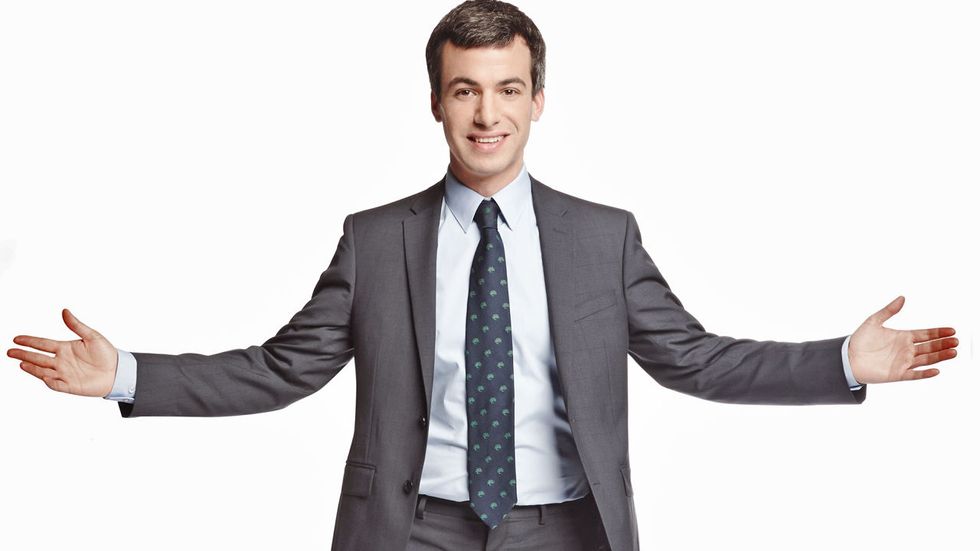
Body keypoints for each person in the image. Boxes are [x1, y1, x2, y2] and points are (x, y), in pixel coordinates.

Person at [6, 1, 959, 550]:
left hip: (565, 530)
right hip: (412, 530)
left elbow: (697, 360)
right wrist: (127, 374)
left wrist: (841, 360)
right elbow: (280, 369)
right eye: (466, 90)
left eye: (508, 89)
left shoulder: (604, 238)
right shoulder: (375, 240)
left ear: (539, 100)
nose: (487, 114)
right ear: (436, 102)